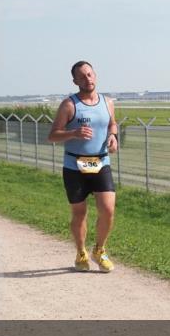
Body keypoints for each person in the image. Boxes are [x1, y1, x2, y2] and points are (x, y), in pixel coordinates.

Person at [48, 61, 119, 273]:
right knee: (79, 213)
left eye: (90, 74)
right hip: (74, 165)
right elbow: (52, 135)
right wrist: (73, 133)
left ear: (95, 75)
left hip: (101, 162)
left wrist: (113, 136)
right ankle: (81, 252)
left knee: (107, 210)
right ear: (75, 81)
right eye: (82, 76)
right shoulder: (69, 105)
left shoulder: (107, 102)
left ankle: (99, 249)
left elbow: (112, 123)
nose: (87, 79)